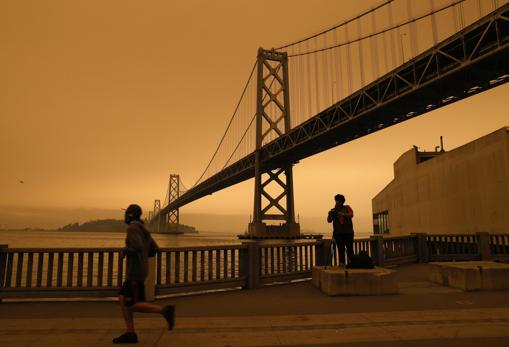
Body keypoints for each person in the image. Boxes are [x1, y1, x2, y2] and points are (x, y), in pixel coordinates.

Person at [113, 204, 175, 344]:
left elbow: (136, 247)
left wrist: (125, 251)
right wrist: (143, 257)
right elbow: (154, 249)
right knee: (123, 298)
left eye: (127, 213)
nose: (125, 216)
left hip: (135, 273)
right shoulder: (143, 229)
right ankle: (130, 333)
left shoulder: (133, 228)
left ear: (130, 215)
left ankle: (165, 311)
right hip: (139, 270)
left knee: (133, 304)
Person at [327, 194, 354, 266]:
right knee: (340, 249)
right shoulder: (333, 210)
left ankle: (352, 263)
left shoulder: (347, 208)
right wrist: (329, 214)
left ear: (342, 202)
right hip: (338, 233)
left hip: (348, 232)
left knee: (350, 249)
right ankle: (342, 263)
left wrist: (340, 214)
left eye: (338, 201)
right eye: (336, 201)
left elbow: (351, 215)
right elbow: (329, 221)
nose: (336, 202)